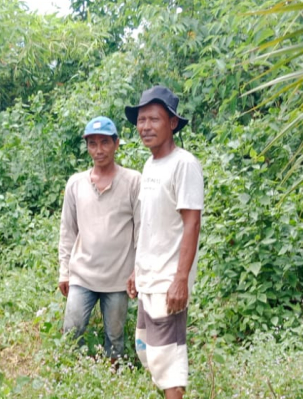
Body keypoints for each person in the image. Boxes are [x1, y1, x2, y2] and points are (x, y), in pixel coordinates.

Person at [124, 86, 203, 399]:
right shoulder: (151, 165)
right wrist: (136, 271)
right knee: (148, 351)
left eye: (153, 119)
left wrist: (180, 279)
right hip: (148, 277)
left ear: (172, 123)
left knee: (168, 360)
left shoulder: (184, 165)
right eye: (141, 120)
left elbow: (191, 222)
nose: (145, 127)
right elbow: (150, 225)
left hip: (168, 279)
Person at [58, 116, 140, 362]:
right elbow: (67, 230)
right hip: (82, 275)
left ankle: (114, 381)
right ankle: (70, 378)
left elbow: (142, 230)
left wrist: (139, 269)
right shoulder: (75, 184)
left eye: (105, 142)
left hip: (118, 279)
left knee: (115, 338)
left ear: (116, 144)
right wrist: (64, 271)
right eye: (92, 143)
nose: (99, 150)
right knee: (71, 331)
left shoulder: (133, 181)